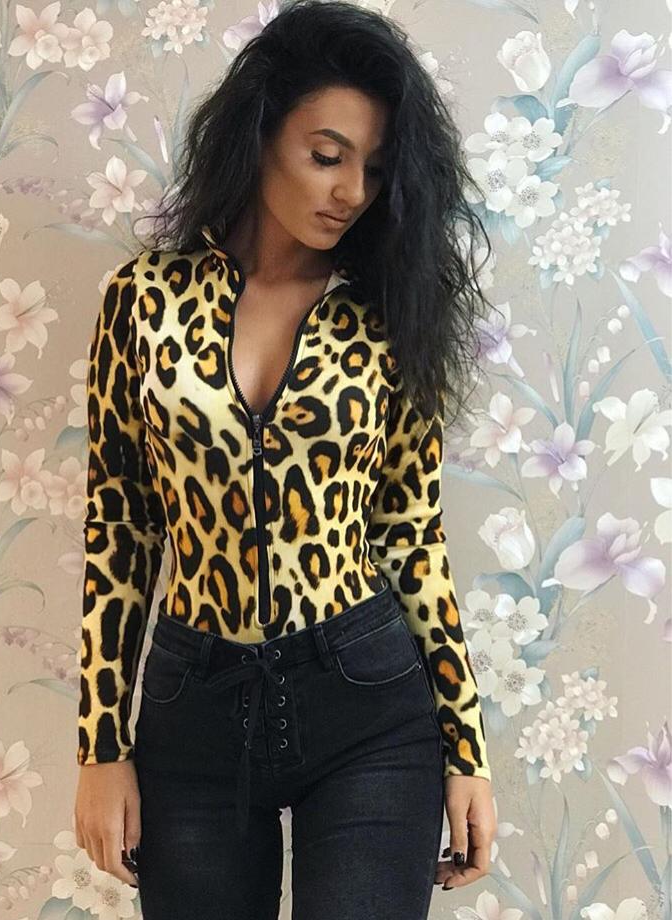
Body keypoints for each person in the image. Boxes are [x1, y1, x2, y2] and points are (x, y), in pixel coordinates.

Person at [73, 1, 497, 917]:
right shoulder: (141, 301)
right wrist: (100, 747)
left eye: (373, 169)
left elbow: (411, 532)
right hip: (194, 705)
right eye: (326, 155)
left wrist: (468, 751)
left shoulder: (388, 313)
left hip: (366, 699)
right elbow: (121, 527)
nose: (351, 191)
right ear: (261, 134)